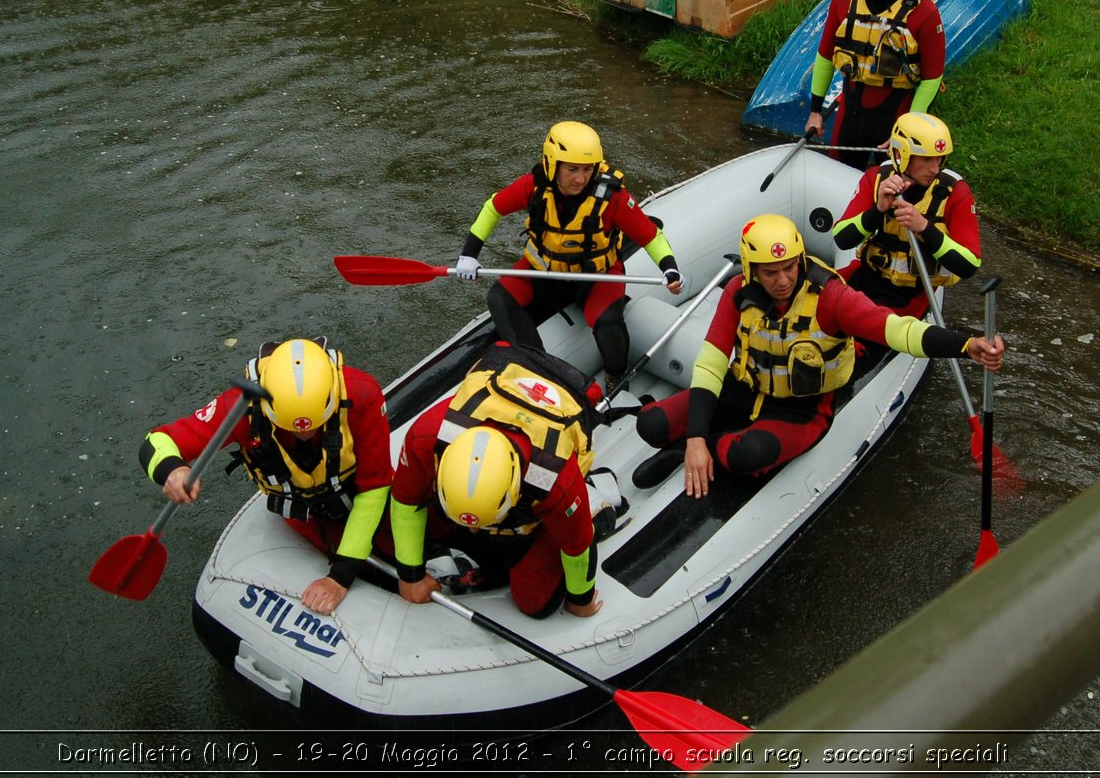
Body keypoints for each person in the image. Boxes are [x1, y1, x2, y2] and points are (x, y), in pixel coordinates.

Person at [631, 213, 1004, 496]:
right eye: (771, 272)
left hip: (802, 409)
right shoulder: (737, 292)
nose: (783, 280)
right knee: (651, 424)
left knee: (742, 455)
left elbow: (896, 330)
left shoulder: (830, 297)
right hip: (744, 388)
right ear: (751, 270)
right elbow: (712, 363)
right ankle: (695, 443)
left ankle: (691, 451)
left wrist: (964, 345)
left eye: (790, 267)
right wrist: (695, 433)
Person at [139, 338, 392, 615]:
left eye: (312, 427)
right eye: (293, 429)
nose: (303, 435)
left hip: (359, 495)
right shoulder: (239, 406)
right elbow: (156, 441)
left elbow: (375, 486)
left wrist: (340, 577)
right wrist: (172, 470)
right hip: (302, 511)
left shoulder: (361, 393)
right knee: (374, 574)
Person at [388, 342, 622, 619]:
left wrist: (580, 601)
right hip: (481, 494)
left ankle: (592, 498)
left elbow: (578, 546)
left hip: (529, 519)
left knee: (536, 603)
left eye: (478, 526)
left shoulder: (554, 479)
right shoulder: (427, 437)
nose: (472, 531)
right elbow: (405, 500)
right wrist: (411, 575)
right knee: (386, 538)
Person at [454, 120, 684, 386]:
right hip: (544, 272)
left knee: (609, 323)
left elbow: (650, 236)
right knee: (499, 298)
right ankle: (536, 368)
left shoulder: (613, 199)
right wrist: (469, 254)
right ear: (553, 164)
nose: (580, 178)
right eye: (572, 169)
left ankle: (616, 376)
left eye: (587, 170)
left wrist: (670, 267)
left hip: (595, 277)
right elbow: (493, 208)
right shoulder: (533, 187)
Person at [802, 0, 947, 170]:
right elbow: (825, 57)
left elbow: (932, 78)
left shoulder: (924, 12)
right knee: (837, 170)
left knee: (893, 180)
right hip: (851, 109)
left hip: (895, 111)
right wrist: (815, 111)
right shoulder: (844, 0)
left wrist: (908, 130)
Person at [832, 111, 982, 339]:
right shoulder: (876, 179)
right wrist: (878, 210)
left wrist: (923, 226)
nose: (935, 168)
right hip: (866, 278)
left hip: (912, 296)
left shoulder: (956, 193)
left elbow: (970, 264)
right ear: (902, 155)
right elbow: (842, 238)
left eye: (939, 159)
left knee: (866, 329)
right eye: (926, 159)